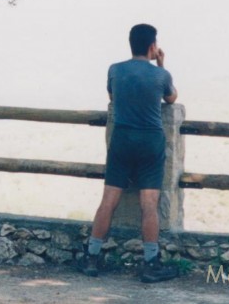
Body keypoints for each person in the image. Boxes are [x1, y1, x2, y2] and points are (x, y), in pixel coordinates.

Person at [83, 24, 179, 283]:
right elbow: (171, 99)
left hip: (122, 139)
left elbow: (113, 97)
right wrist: (160, 64)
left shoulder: (115, 69)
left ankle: (91, 257)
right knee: (149, 204)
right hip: (150, 141)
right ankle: (149, 263)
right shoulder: (162, 75)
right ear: (152, 46)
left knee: (108, 200)